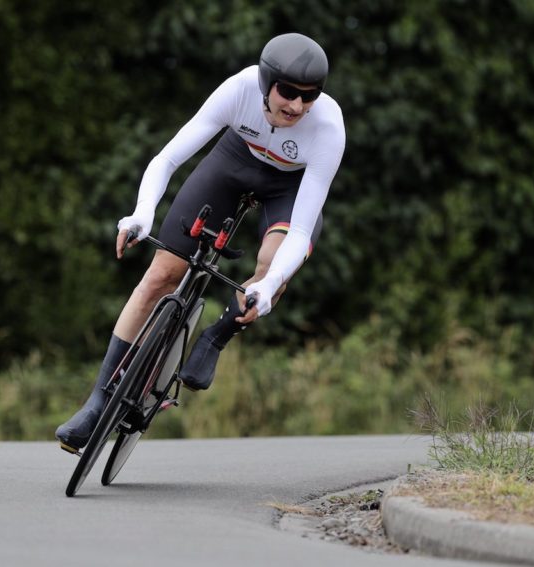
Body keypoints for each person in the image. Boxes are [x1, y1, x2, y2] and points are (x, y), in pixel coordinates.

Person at [56, 32, 346, 452]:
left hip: (291, 185)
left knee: (272, 263)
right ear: (267, 82)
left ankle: (217, 335)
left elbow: (300, 232)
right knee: (161, 275)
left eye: (310, 96)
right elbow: (168, 158)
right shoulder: (240, 89)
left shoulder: (328, 127)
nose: (297, 106)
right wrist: (143, 212)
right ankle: (99, 400)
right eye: (288, 92)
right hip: (235, 160)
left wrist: (268, 284)